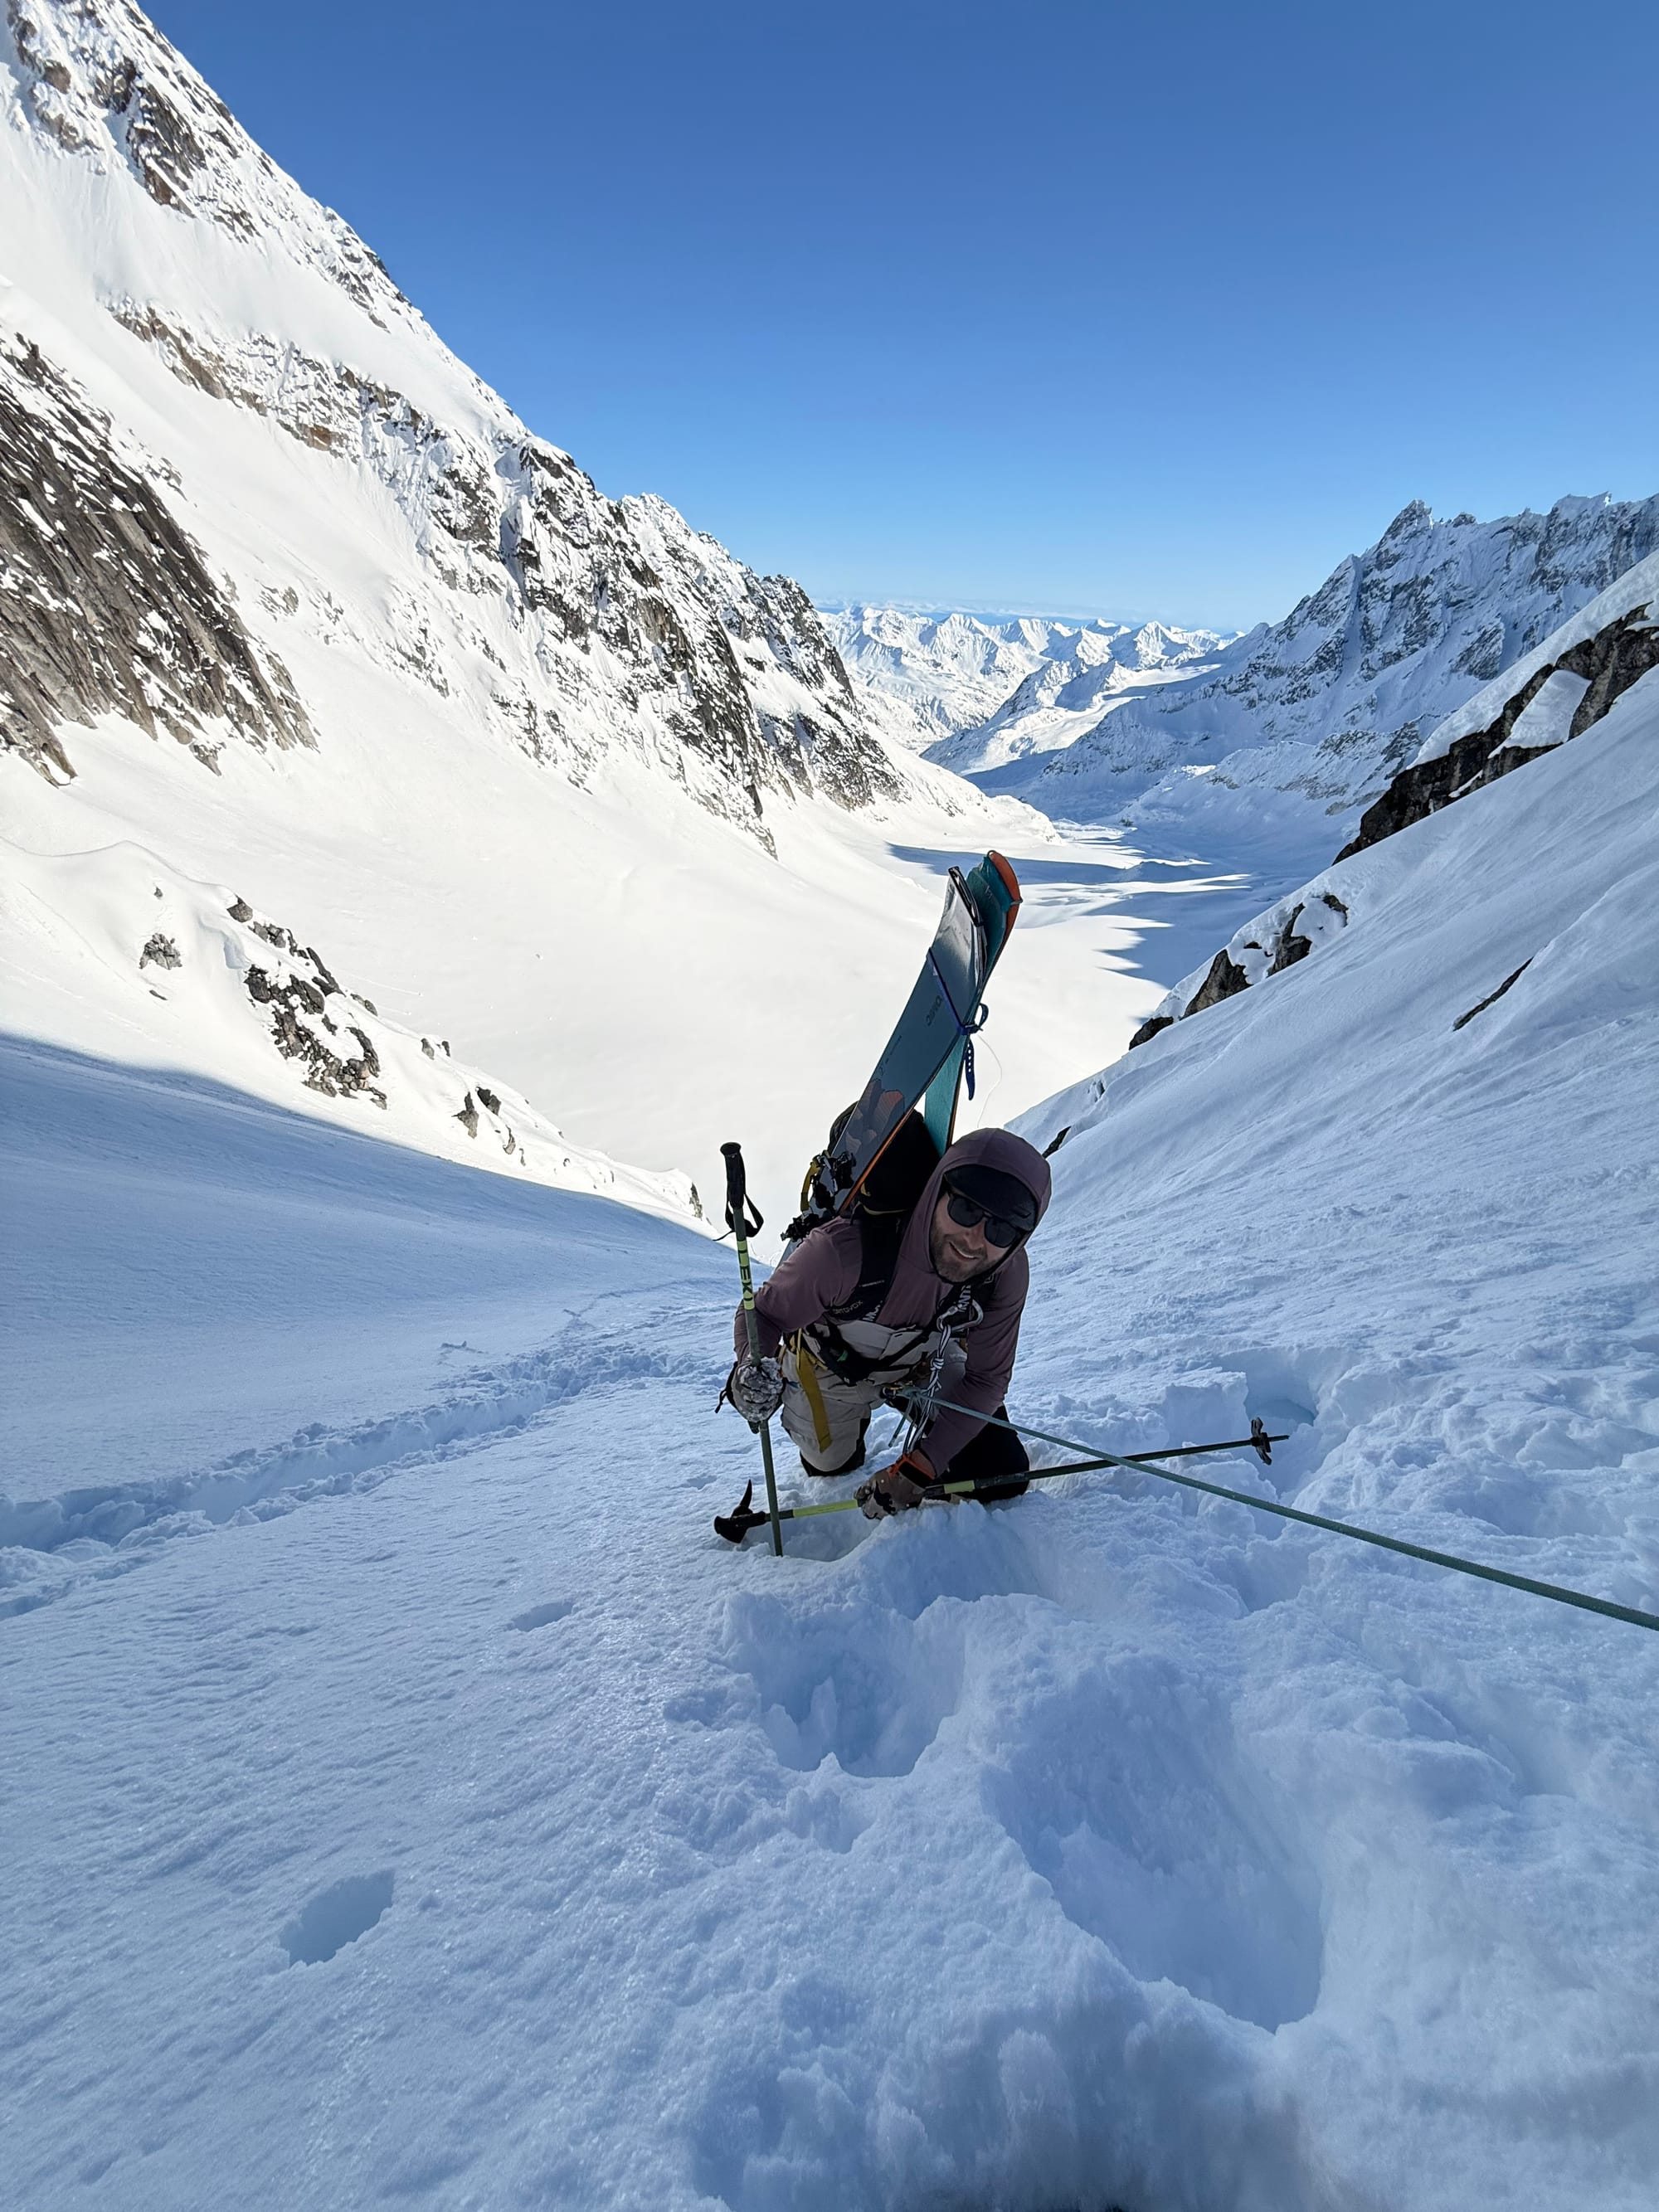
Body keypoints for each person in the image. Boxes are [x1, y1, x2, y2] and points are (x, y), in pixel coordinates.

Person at [725, 1126, 1051, 1518]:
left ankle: (903, 1405)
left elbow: (987, 1381)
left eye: (1001, 1229)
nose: (973, 1239)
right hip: (832, 1369)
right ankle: (849, 1429)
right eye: (965, 1209)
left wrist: (919, 1467)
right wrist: (749, 1365)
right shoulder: (841, 1254)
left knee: (1000, 1469)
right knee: (831, 1467)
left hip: (922, 1364)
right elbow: (762, 1314)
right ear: (938, 1192)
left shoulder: (1004, 1274)